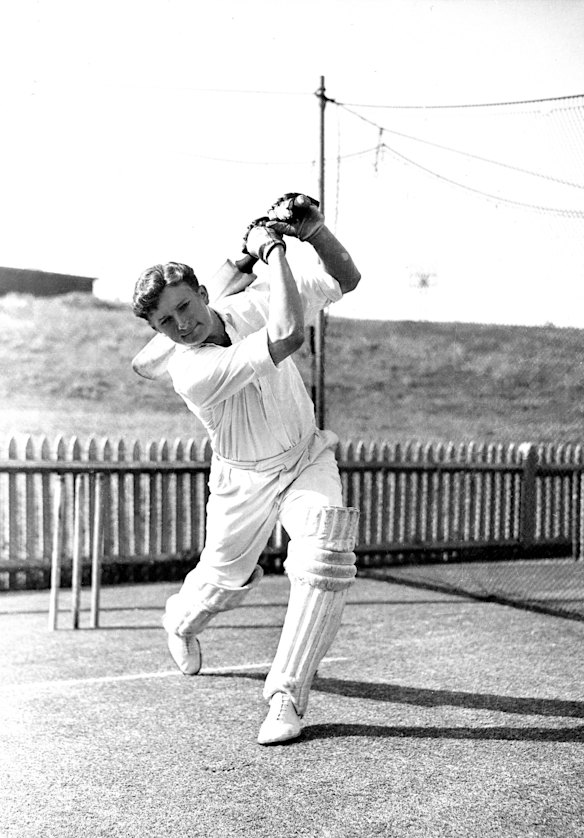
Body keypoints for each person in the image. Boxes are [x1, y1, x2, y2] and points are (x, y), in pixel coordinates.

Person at [131, 193, 362, 745]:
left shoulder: (252, 301)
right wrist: (275, 249)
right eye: (166, 321)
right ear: (158, 331)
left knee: (326, 553)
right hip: (243, 480)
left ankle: (286, 695)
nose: (182, 325)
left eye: (186, 307)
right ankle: (180, 620)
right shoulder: (192, 370)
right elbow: (288, 336)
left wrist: (316, 231)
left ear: (205, 293)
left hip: (305, 457)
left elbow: (347, 279)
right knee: (222, 584)